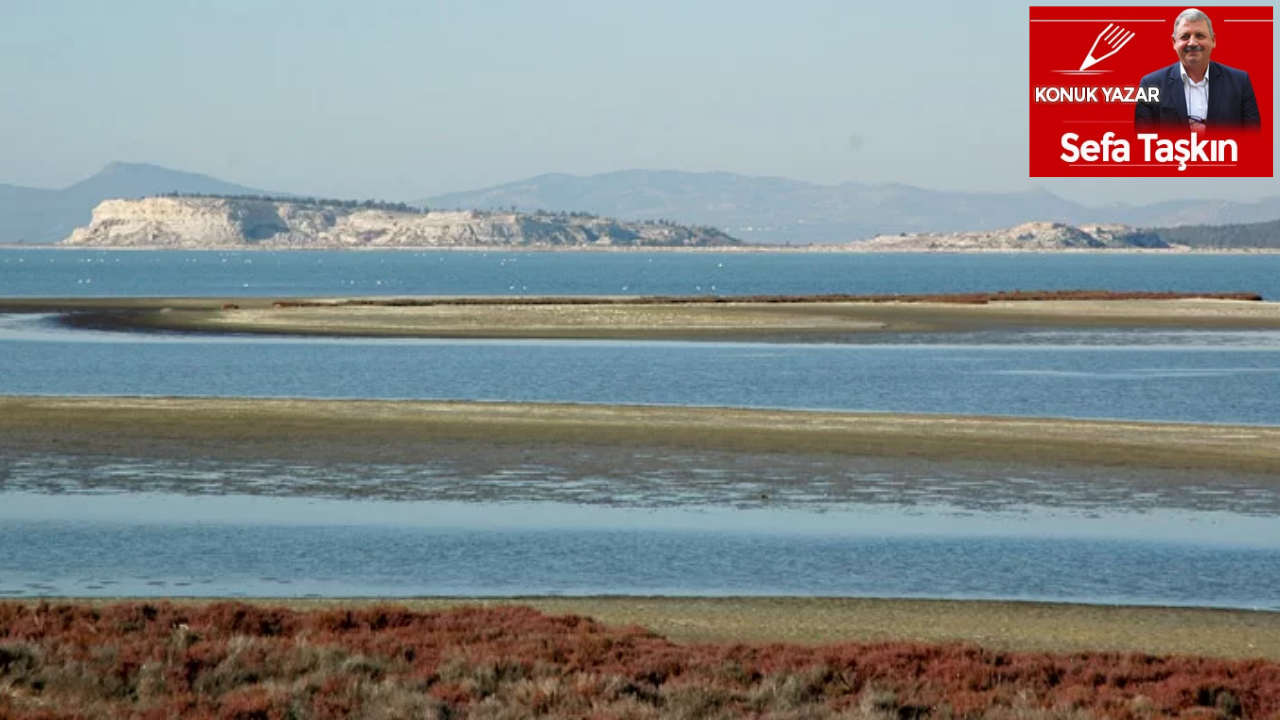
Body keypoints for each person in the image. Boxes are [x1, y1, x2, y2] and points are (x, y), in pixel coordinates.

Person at [1134, 8, 1261, 130]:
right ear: (1174, 42)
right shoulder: (1150, 84)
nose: (1192, 43)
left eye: (1200, 35)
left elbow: (1252, 139)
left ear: (1213, 40)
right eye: (1185, 36)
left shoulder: (1240, 82)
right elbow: (1143, 141)